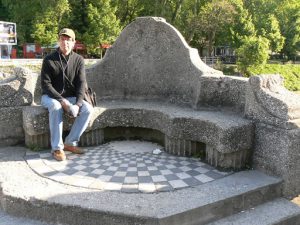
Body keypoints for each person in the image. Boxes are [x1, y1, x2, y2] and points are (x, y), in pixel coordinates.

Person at [41, 28, 93, 161]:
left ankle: (70, 143)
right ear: (59, 41)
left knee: (87, 109)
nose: (65, 42)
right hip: (50, 97)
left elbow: (82, 84)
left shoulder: (79, 59)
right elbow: (46, 85)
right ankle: (57, 148)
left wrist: (78, 104)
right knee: (56, 106)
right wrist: (62, 100)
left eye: (69, 40)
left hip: (71, 96)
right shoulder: (49, 59)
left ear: (74, 42)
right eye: (62, 39)